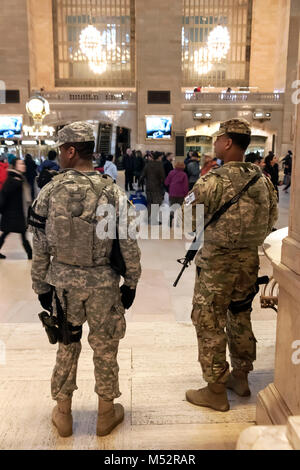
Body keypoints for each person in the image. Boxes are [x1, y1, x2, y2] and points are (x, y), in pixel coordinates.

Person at [28, 122, 141, 437]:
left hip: (63, 285)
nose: (61, 157)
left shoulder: (49, 192)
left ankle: (63, 415)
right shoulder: (113, 190)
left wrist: (41, 287)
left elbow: (39, 246)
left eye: (62, 150)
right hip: (104, 284)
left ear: (70, 150)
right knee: (105, 347)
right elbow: (129, 241)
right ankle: (106, 414)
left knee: (67, 344)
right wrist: (131, 282)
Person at [184, 118, 278, 412]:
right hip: (248, 262)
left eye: (217, 138)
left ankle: (214, 389)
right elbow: (272, 220)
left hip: (216, 265)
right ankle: (241, 377)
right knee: (240, 315)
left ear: (227, 142)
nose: (214, 144)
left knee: (209, 320)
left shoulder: (211, 181)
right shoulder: (264, 181)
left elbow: (190, 222)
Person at [0, 157, 32, 260]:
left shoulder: (19, 178)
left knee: (10, 233)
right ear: (14, 166)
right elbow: (4, 194)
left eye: (23, 163)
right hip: (13, 214)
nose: (23, 165)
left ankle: (30, 254)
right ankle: (30, 255)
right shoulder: (14, 180)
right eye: (20, 164)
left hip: (16, 213)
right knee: (20, 234)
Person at [139, 151, 165, 224]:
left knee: (150, 203)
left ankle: (145, 217)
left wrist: (139, 184)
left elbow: (142, 175)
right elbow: (162, 177)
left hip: (148, 187)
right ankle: (153, 219)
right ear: (159, 157)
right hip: (157, 187)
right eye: (161, 157)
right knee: (157, 203)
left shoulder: (148, 164)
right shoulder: (160, 165)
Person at [164, 161, 189, 227]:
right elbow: (185, 186)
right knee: (179, 208)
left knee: (172, 207)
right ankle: (178, 223)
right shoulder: (184, 174)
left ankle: (170, 218)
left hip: (172, 193)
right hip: (181, 195)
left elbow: (166, 182)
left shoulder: (171, 172)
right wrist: (186, 194)